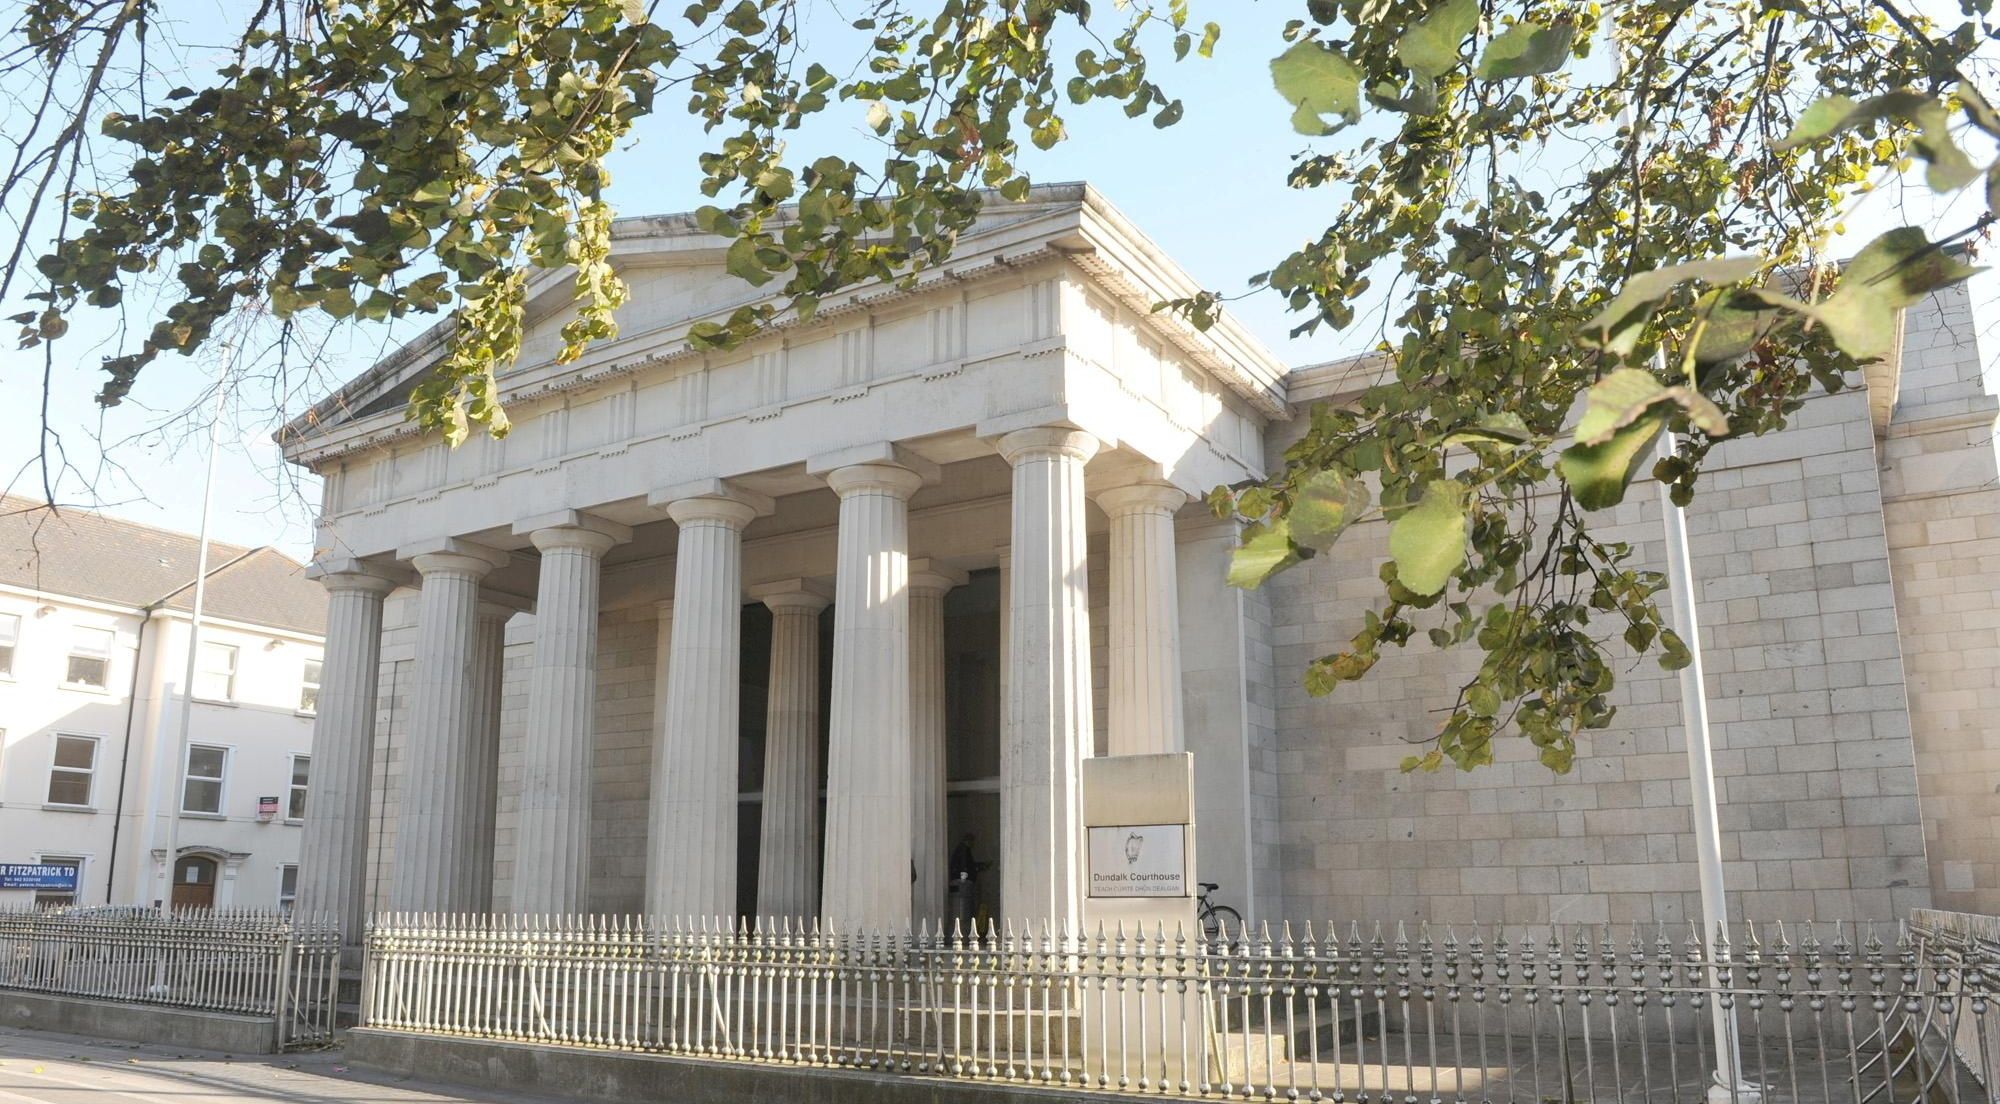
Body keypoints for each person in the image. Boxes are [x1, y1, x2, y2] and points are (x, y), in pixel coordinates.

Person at [948, 832, 979, 932]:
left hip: (959, 881)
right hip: (962, 884)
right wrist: (964, 876)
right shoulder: (963, 849)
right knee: (963, 907)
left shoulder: (960, 849)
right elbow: (964, 864)